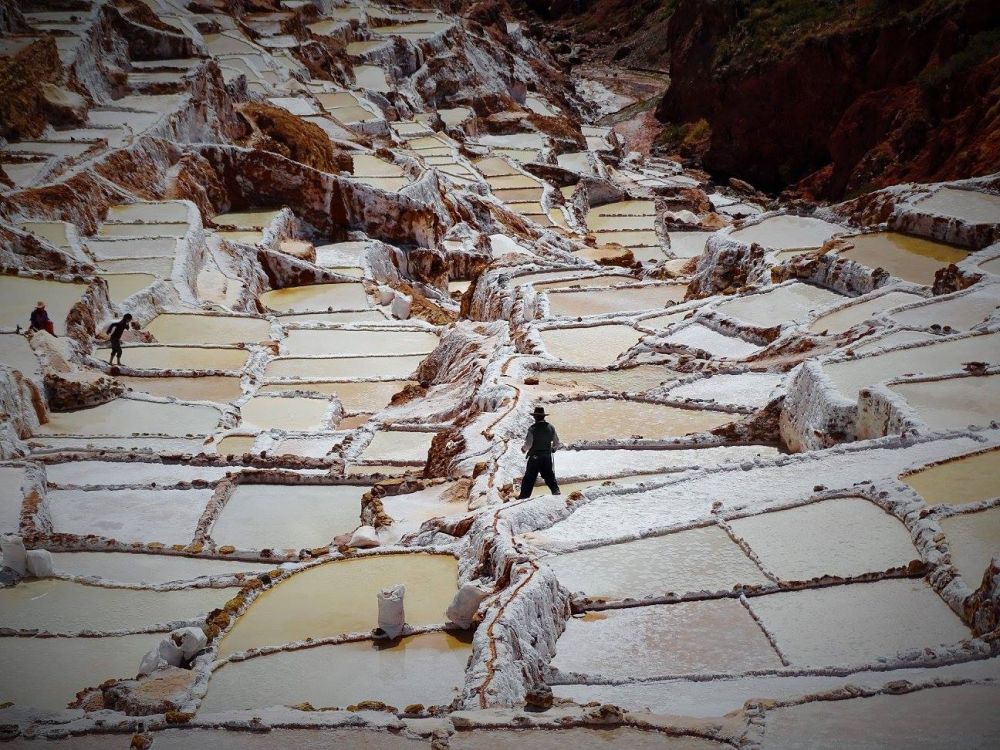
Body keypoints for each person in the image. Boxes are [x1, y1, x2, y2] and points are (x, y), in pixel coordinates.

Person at [517, 405, 562, 499]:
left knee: (529, 478)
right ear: (543, 416)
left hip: (535, 457)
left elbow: (529, 443)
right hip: (547, 456)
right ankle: (556, 491)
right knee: (549, 475)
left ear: (535, 417)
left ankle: (523, 497)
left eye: (534, 416)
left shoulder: (532, 428)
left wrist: (523, 449)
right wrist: (553, 449)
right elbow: (557, 442)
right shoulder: (551, 427)